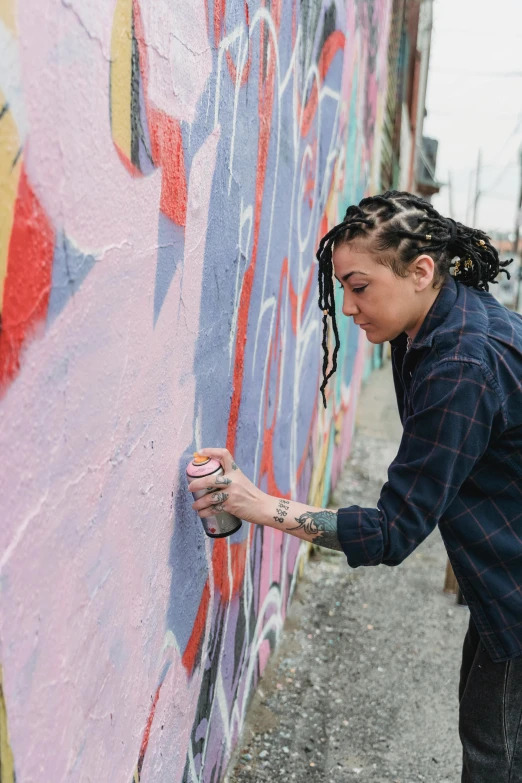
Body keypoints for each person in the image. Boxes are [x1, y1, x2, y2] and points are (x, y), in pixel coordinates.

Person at [187, 190, 522, 782]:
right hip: (501, 574)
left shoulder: (460, 364)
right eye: (342, 286)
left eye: (359, 286)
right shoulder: (434, 324)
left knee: (497, 756)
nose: (347, 305)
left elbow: (391, 533)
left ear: (421, 272)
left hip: (513, 588)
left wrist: (257, 504)